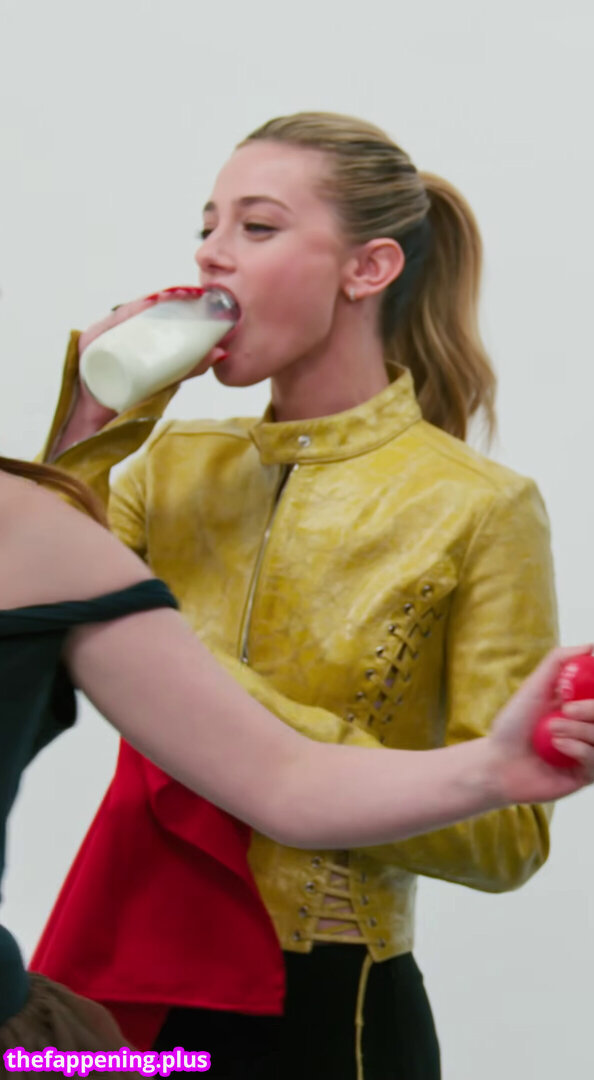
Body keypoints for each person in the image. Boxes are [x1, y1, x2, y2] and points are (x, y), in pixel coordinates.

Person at [30, 110, 575, 1079]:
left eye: (257, 226)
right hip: (135, 966)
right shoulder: (167, 471)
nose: (210, 254)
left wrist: (211, 699)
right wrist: (89, 426)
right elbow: (23, 643)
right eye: (206, 225)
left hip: (329, 1008)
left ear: (366, 270)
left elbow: (509, 840)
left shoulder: (479, 507)